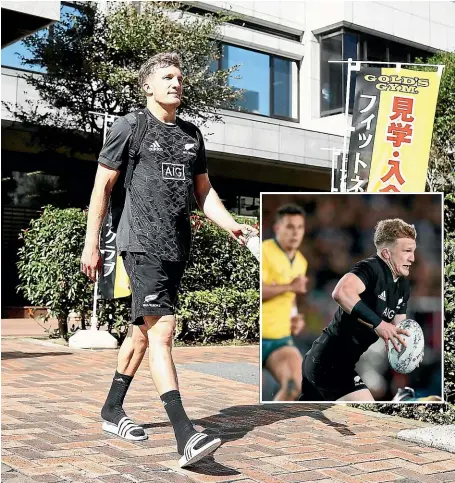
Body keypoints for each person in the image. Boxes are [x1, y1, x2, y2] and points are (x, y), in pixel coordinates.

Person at [80, 52, 257, 468]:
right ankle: (184, 435)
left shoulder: (192, 135)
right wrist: (92, 243)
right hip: (140, 243)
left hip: (176, 246)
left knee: (141, 334)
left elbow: (204, 192)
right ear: (148, 86)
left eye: (180, 76)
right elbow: (101, 189)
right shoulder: (130, 127)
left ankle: (112, 410)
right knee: (163, 332)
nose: (176, 83)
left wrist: (233, 226)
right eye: (167, 77)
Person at [300, 218, 414, 402]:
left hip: (342, 365)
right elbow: (341, 292)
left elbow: (400, 332)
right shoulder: (370, 268)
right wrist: (378, 324)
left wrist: (411, 349)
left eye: (413, 251)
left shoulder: (402, 286)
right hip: (327, 360)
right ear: (386, 253)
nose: (412, 258)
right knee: (366, 411)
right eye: (407, 251)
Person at [262, 204, 308, 401]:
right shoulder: (264, 251)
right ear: (277, 228)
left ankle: (270, 427)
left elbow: (291, 299)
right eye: (290, 226)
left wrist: (294, 317)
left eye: (300, 227)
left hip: (280, 339)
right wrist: (290, 286)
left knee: (294, 387)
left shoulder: (301, 261)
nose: (295, 233)